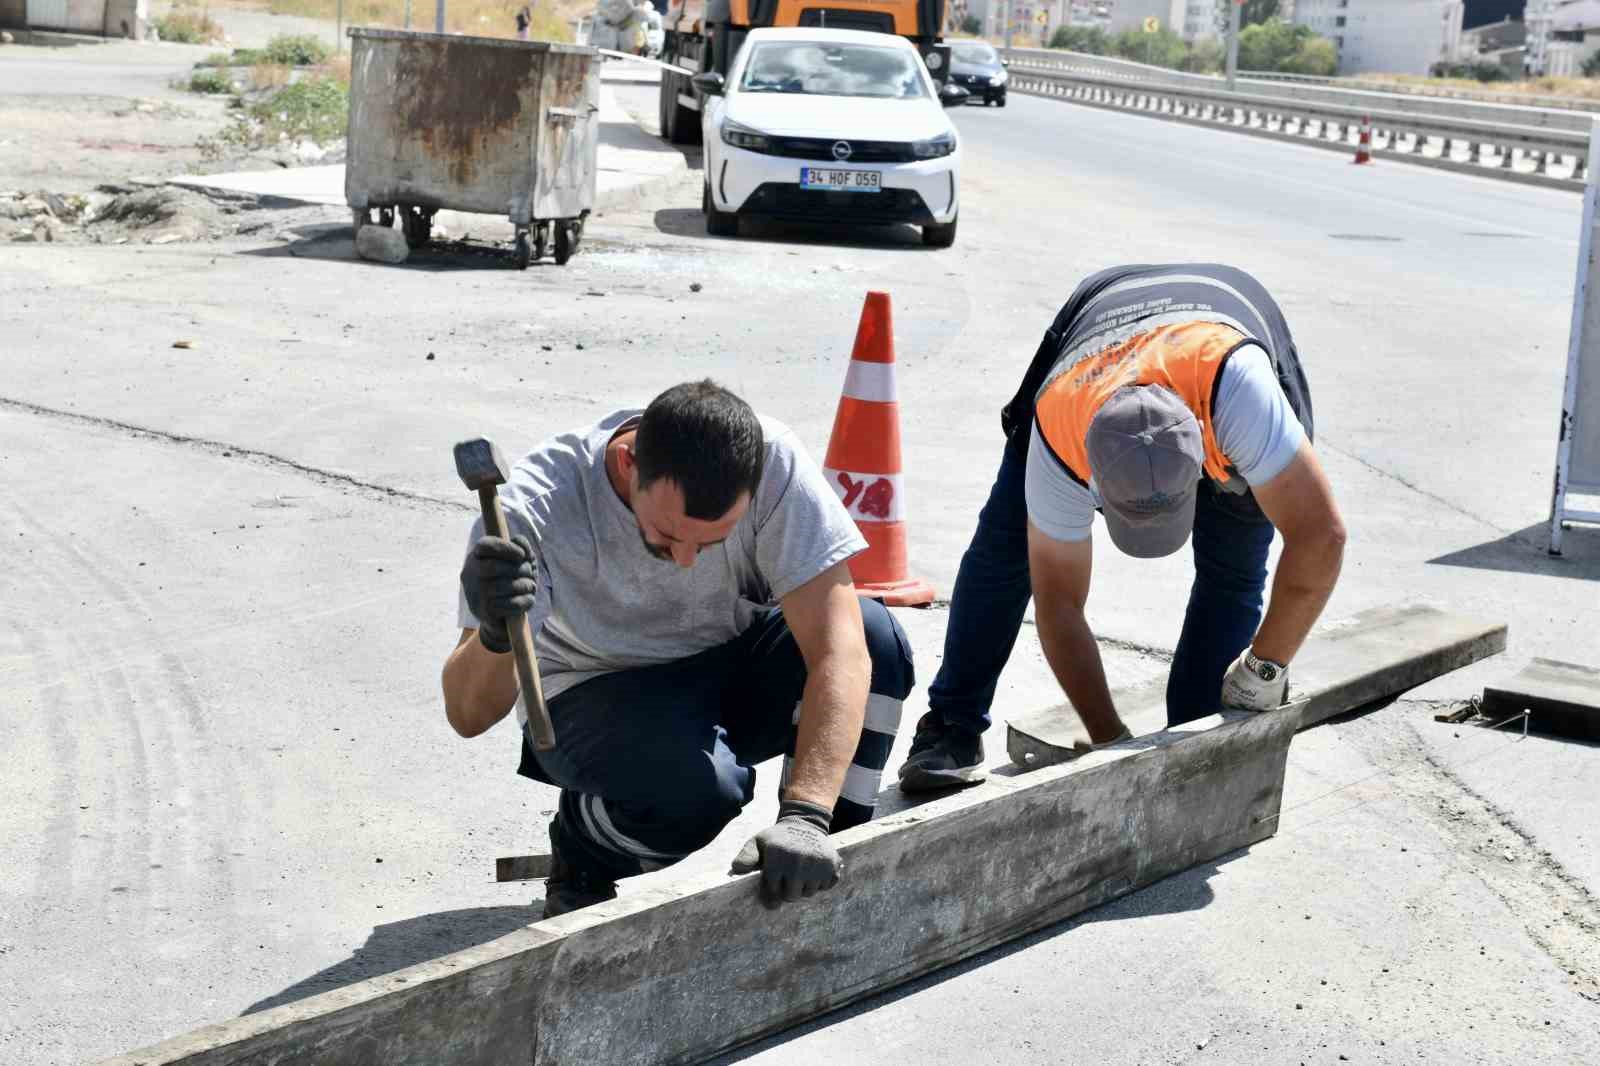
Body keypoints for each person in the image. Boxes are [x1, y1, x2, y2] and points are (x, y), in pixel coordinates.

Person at [442, 381, 913, 915]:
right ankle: (584, 848)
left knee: (877, 640)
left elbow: (840, 650)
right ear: (627, 464)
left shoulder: (774, 464)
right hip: (594, 690)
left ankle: (825, 862)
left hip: (724, 657)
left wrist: (808, 815)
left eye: (711, 541)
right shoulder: (532, 511)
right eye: (666, 536)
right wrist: (495, 635)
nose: (687, 560)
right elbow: (467, 714)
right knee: (698, 793)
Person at [898, 264, 1345, 791]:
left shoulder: (1244, 404)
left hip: (1224, 325)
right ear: (1095, 483)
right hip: (1096, 327)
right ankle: (952, 722)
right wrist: (1109, 740)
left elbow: (1321, 537)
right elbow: (1059, 603)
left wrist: (1264, 668)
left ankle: (1201, 732)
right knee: (1005, 545)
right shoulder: (1058, 436)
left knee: (1233, 571)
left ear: (1204, 458)